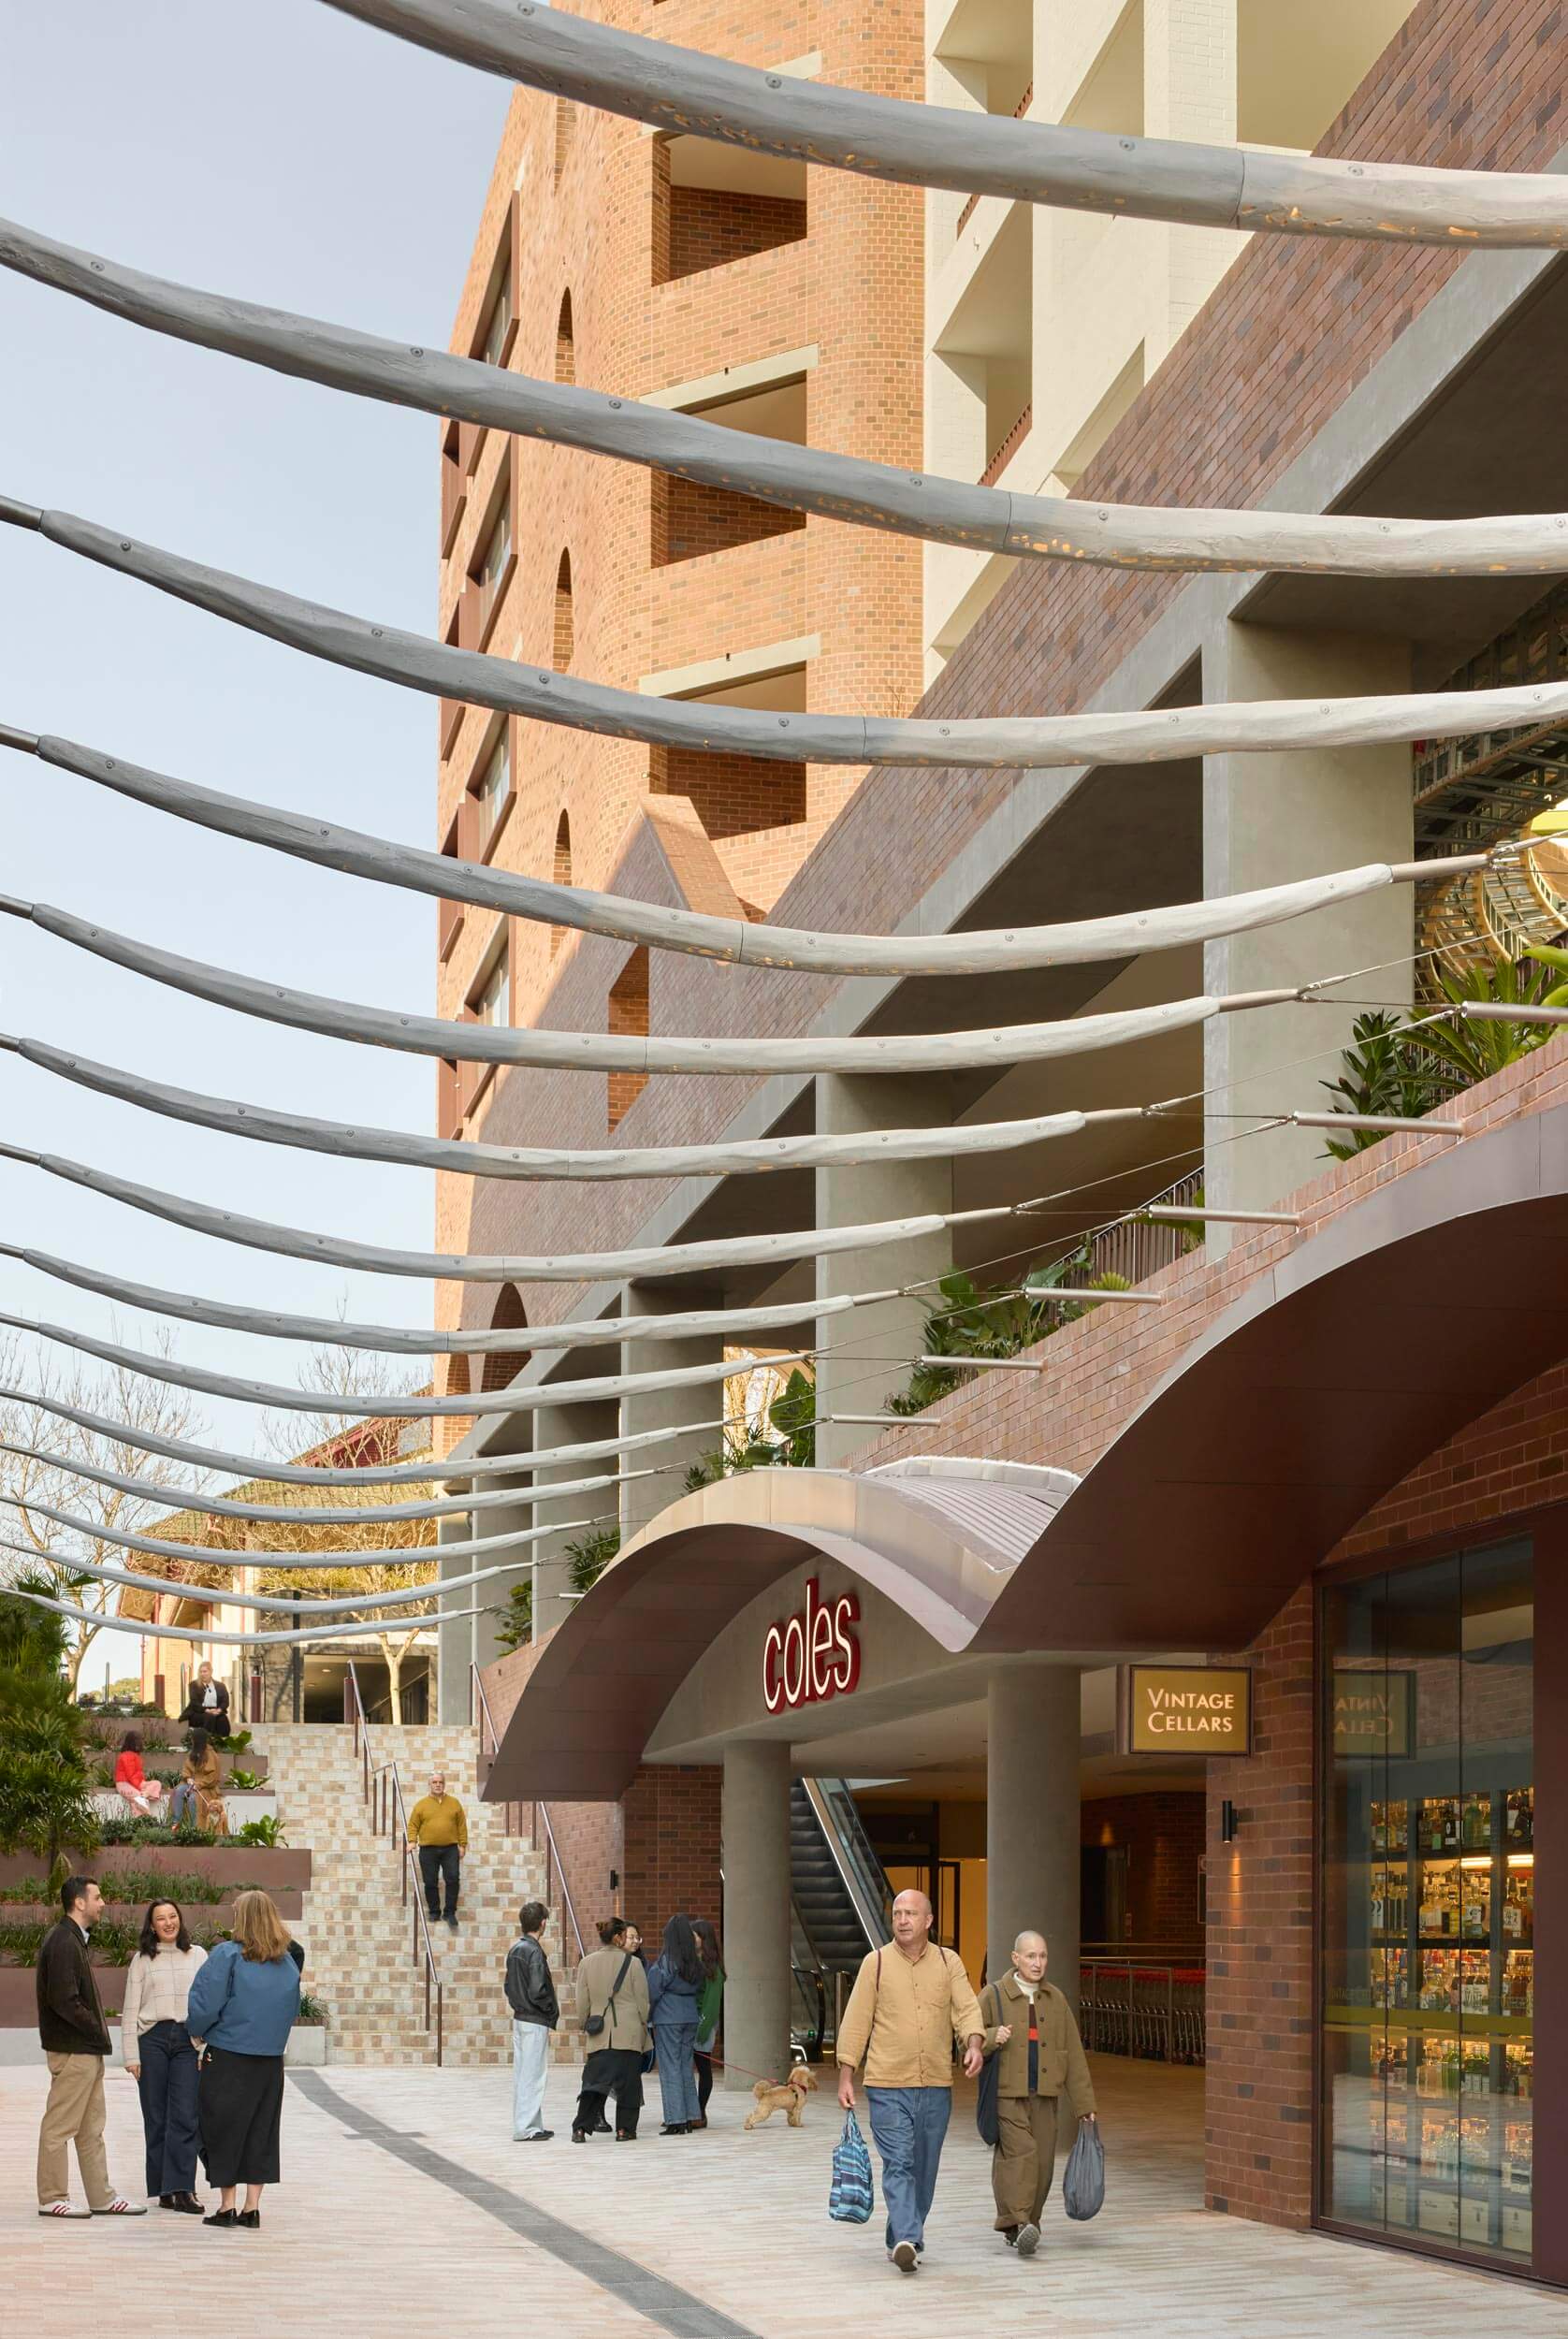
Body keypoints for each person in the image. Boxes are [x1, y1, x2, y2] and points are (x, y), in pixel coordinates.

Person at [836, 1888, 984, 2274]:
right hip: (886, 2084)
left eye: (910, 1914)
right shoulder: (877, 1963)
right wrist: (846, 2073)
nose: (902, 1920)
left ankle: (898, 2235)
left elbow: (966, 2007)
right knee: (899, 2162)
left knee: (924, 2167)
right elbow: (856, 2021)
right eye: (897, 1913)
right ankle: (907, 2237)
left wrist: (973, 2043)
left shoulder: (948, 1962)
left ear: (928, 1921)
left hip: (935, 2083)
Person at [184, 1888, 302, 2230]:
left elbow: (205, 2004)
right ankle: (252, 2207)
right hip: (269, 2062)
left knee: (221, 2130)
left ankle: (227, 2206)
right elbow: (291, 2009)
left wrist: (198, 2032)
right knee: (261, 2131)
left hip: (228, 2057)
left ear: (243, 1918)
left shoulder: (228, 1955)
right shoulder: (288, 1963)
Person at [979, 1929, 1097, 2256]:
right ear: (1015, 1958)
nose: (1038, 1962)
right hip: (1008, 2094)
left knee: (1043, 2163)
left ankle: (1028, 2224)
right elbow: (967, 2037)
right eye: (1031, 1956)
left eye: (1042, 1955)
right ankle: (1017, 2222)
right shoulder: (994, 1995)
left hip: (1045, 2095)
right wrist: (991, 2036)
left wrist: (1084, 2104)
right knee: (1021, 2156)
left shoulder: (1055, 1999)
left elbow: (1072, 2053)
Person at [36, 1876, 147, 2218]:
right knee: (60, 2126)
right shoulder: (63, 1942)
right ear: (79, 1903)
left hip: (85, 2050)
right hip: (74, 2050)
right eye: (97, 1897)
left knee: (91, 2129)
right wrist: (95, 2030)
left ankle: (102, 2197)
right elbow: (64, 2000)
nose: (102, 1903)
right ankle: (52, 2197)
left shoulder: (73, 1940)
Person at [122, 1897, 208, 2212]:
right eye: (161, 1918)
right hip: (152, 2041)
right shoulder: (143, 1959)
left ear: (180, 1920)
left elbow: (207, 2003)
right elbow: (130, 2009)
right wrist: (131, 2055)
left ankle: (184, 2188)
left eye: (173, 1916)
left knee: (185, 2115)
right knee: (156, 2117)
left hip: (188, 2040)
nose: (168, 1922)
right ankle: (163, 2189)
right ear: (152, 1925)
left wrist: (205, 2045)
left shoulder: (198, 1955)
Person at [572, 1916, 649, 2144]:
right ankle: (624, 2130)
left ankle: (580, 2129)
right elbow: (642, 2001)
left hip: (599, 2031)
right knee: (629, 2084)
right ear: (617, 1938)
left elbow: (582, 2001)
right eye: (625, 1935)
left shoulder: (586, 1963)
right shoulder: (633, 1963)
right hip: (629, 2031)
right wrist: (643, 2025)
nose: (628, 1939)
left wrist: (583, 2022)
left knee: (594, 2083)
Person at [646, 1913, 705, 2136]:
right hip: (690, 2015)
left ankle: (675, 2119)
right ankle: (690, 2116)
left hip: (668, 2018)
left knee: (670, 2068)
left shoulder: (667, 1960)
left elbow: (654, 1990)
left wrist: (649, 2016)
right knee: (685, 2068)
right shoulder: (694, 1962)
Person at [505, 1899, 559, 2143]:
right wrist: (549, 2009)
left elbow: (508, 1986)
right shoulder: (534, 1951)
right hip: (535, 2017)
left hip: (520, 2016)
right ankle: (527, 2127)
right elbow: (538, 1989)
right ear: (543, 1923)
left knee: (523, 2073)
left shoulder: (516, 1948)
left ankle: (530, 2123)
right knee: (534, 2074)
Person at [406, 1769, 467, 1931]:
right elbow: (413, 1825)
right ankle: (434, 1911)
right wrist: (412, 1841)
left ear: (444, 1784)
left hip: (450, 1849)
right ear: (429, 1784)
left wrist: (462, 1845)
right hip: (428, 1849)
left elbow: (461, 1825)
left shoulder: (454, 1803)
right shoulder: (421, 1805)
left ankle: (449, 1913)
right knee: (430, 1881)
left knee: (453, 1879)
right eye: (435, 1782)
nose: (438, 1785)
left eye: (441, 1782)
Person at [690, 1916, 724, 2129]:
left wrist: (702, 2030)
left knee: (703, 2067)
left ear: (704, 1938)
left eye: (694, 1936)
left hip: (704, 2024)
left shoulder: (714, 1969)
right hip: (691, 2022)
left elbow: (711, 2005)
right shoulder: (695, 1962)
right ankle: (693, 2110)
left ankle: (700, 2111)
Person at [170, 1729, 227, 1834]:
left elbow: (212, 1777)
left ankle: (194, 1828)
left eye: (193, 1739)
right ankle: (175, 1823)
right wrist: (188, 1778)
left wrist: (199, 1784)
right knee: (178, 1791)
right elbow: (186, 1769)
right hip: (191, 1783)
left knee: (193, 1799)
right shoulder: (193, 1752)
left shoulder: (211, 1754)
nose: (191, 1741)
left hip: (206, 1787)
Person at [113, 1730, 165, 1820]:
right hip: (124, 1784)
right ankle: (149, 1819)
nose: (139, 1743)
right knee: (140, 1800)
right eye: (137, 1741)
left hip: (137, 1783)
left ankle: (143, 1795)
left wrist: (142, 1785)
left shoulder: (136, 1756)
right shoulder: (126, 1756)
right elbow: (131, 1775)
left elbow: (137, 1774)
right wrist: (139, 1786)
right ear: (131, 1742)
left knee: (157, 1783)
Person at [177, 1662, 231, 1742]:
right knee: (209, 1717)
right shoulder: (194, 1685)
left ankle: (221, 1743)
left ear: (211, 1672)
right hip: (198, 1712)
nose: (203, 1674)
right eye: (201, 1672)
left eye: (205, 1671)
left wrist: (219, 1710)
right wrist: (207, 1711)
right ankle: (207, 1743)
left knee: (223, 1720)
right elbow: (194, 1703)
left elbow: (225, 1701)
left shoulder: (220, 1685)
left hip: (216, 1711)